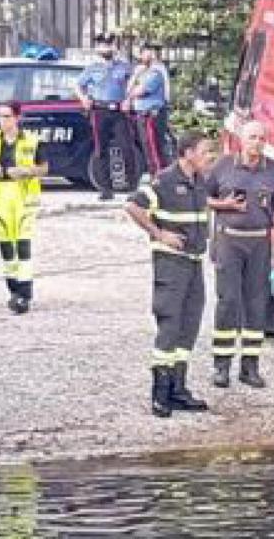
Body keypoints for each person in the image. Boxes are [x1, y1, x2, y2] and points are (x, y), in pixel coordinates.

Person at [126, 132, 218, 416]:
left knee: (189, 325)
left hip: (194, 262)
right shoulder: (165, 180)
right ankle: (160, 393)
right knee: (170, 324)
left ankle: (179, 388)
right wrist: (158, 233)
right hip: (172, 264)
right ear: (187, 153)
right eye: (204, 152)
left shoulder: (199, 181)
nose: (209, 157)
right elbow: (133, 205)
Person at [206, 119, 274, 389]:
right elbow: (201, 197)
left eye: (262, 138)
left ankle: (250, 367)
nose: (257, 143)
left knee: (256, 305)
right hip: (229, 241)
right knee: (228, 302)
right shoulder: (222, 166)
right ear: (241, 139)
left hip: (259, 243)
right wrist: (224, 204)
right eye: (252, 137)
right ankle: (221, 366)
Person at [0, 101, 50, 314]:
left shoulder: (32, 140)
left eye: (7, 116)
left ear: (17, 118)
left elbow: (44, 168)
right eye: (0, 117)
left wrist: (26, 171)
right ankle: (12, 288)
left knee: (23, 244)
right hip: (1, 194)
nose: (2, 121)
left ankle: (25, 292)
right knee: (5, 245)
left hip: (23, 196)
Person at [74, 33, 136, 201]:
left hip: (118, 111)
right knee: (101, 150)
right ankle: (106, 188)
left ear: (114, 47)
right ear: (97, 48)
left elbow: (133, 83)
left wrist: (129, 100)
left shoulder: (123, 66)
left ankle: (131, 187)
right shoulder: (92, 68)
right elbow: (78, 85)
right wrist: (84, 99)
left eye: (110, 44)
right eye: (103, 45)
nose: (107, 48)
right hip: (99, 110)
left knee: (127, 147)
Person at [125, 42, 172, 175]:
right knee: (148, 150)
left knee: (154, 150)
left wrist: (133, 90)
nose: (146, 55)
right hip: (143, 115)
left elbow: (140, 91)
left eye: (149, 51)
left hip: (152, 116)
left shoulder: (156, 71)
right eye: (144, 51)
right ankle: (155, 176)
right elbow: (129, 89)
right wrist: (135, 77)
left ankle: (160, 178)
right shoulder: (141, 72)